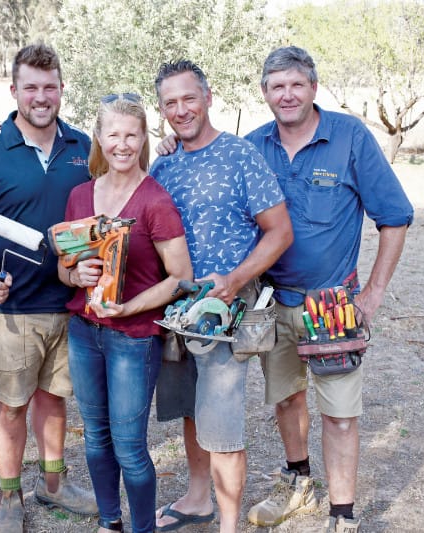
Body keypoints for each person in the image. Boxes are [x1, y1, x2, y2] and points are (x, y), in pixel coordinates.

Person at [243, 46, 413, 533]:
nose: (287, 94)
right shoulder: (254, 147)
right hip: (272, 302)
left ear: (314, 87)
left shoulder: (350, 137)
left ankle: (342, 515)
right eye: (277, 86)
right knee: (287, 399)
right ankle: (298, 485)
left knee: (339, 415)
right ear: (265, 93)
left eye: (296, 84)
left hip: (332, 306)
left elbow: (395, 217)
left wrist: (374, 292)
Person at [0, 43, 98, 532]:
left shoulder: (83, 148)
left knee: (54, 397)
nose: (42, 96)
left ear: (61, 89)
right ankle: (9, 498)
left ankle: (53, 484)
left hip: (71, 302)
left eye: (50, 87)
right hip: (14, 307)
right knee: (13, 403)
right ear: (14, 90)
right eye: (31, 87)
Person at [150, 59, 294, 533]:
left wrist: (235, 279)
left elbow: (279, 233)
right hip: (174, 313)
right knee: (190, 408)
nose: (181, 109)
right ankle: (196, 499)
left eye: (189, 98)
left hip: (226, 313)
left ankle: (228, 524)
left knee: (223, 422)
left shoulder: (240, 155)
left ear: (208, 97)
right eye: (170, 102)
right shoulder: (164, 163)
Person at [59, 93, 192, 533]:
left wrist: (130, 306)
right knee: (95, 437)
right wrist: (75, 277)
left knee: (130, 446)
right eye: (113, 134)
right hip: (84, 332)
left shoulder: (154, 200)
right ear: (99, 137)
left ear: (143, 138)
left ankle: (142, 529)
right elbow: (66, 265)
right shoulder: (80, 196)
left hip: (133, 338)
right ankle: (110, 522)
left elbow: (180, 277)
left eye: (131, 134)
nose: (122, 143)